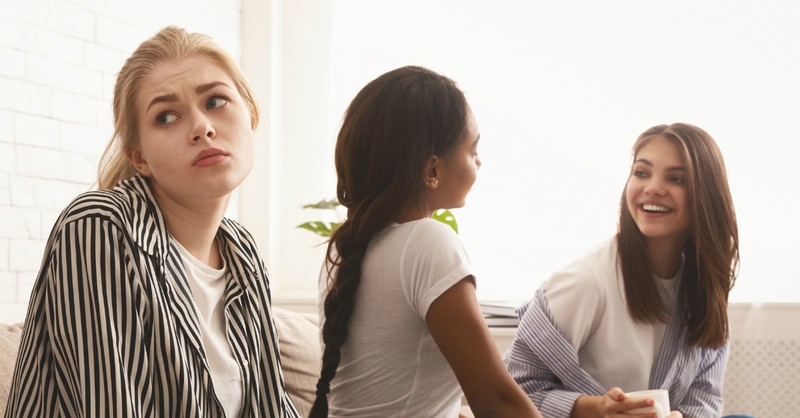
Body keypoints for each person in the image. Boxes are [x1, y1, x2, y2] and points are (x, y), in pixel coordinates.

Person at [4, 26, 299, 418]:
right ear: (138, 156)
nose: (202, 127)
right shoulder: (99, 227)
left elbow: (270, 408)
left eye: (215, 101)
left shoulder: (242, 252)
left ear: (251, 115)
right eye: (166, 116)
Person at [308, 66, 542, 418]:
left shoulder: (346, 250)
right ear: (432, 170)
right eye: (472, 149)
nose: (480, 160)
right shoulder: (428, 242)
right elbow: (497, 402)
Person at [504, 123, 739, 418]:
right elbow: (510, 394)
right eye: (641, 173)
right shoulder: (585, 281)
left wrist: (681, 416)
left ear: (707, 197)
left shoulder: (704, 288)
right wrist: (596, 409)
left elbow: (705, 400)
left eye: (676, 179)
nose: (652, 187)